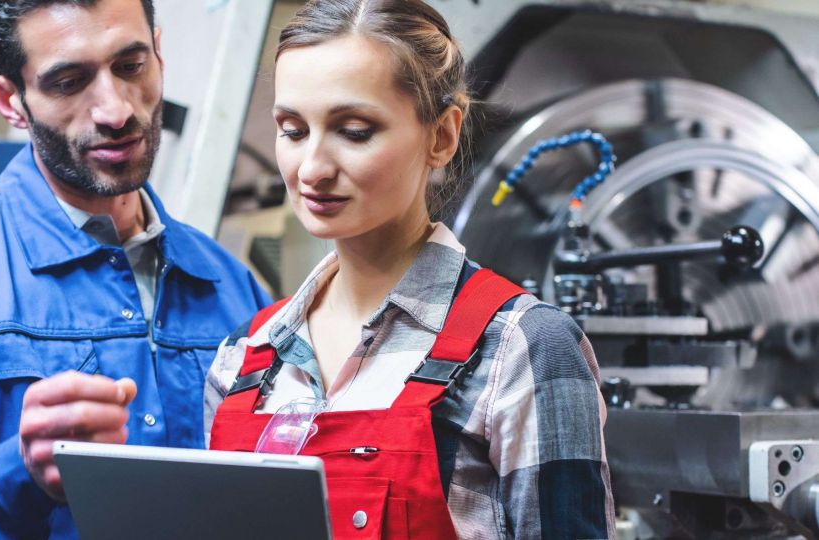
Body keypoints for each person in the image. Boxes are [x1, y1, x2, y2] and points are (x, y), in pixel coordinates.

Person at [0, 0, 271, 537]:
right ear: (8, 100)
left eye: (131, 66)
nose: (115, 110)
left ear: (159, 54)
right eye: (68, 81)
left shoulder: (233, 285)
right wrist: (15, 472)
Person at [204, 1, 615, 538]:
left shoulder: (521, 350)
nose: (312, 169)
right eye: (293, 130)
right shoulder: (245, 358)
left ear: (442, 136)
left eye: (354, 131)